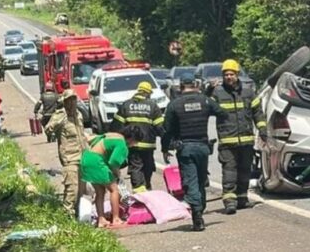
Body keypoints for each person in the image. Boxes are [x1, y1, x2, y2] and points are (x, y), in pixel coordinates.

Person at [162, 75, 224, 231]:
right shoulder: (204, 100)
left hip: (186, 149)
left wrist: (165, 148)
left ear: (181, 86)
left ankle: (197, 215)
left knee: (191, 182)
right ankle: (200, 209)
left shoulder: (174, 104)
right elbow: (223, 113)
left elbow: (167, 130)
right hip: (203, 148)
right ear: (195, 84)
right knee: (201, 180)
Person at [207, 59, 267, 214]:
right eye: (226, 74)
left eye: (231, 74)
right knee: (229, 171)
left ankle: (242, 199)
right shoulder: (217, 93)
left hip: (246, 140)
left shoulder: (248, 92)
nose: (228, 77)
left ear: (237, 74)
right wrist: (208, 91)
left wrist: (263, 130)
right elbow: (205, 107)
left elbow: (257, 113)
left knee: (244, 171)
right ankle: (229, 202)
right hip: (227, 141)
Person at [80, 126, 143, 228]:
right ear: (132, 139)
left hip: (86, 159)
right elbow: (113, 162)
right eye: (135, 142)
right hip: (97, 162)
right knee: (114, 190)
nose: (134, 145)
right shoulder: (122, 143)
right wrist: (117, 174)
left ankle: (101, 219)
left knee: (100, 192)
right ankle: (116, 218)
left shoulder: (113, 135)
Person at [111, 81, 164, 193]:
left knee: (136, 167)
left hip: (132, 144)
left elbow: (115, 125)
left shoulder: (126, 105)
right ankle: (147, 188)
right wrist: (168, 141)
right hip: (148, 145)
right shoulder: (153, 106)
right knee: (148, 167)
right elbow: (160, 127)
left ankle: (139, 191)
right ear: (148, 93)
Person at [45, 89, 87, 217]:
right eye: (69, 100)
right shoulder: (61, 115)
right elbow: (48, 129)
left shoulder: (78, 115)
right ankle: (67, 214)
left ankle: (78, 215)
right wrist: (55, 127)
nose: (72, 103)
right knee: (72, 189)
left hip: (83, 157)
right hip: (70, 158)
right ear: (64, 102)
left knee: (82, 190)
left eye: (74, 99)